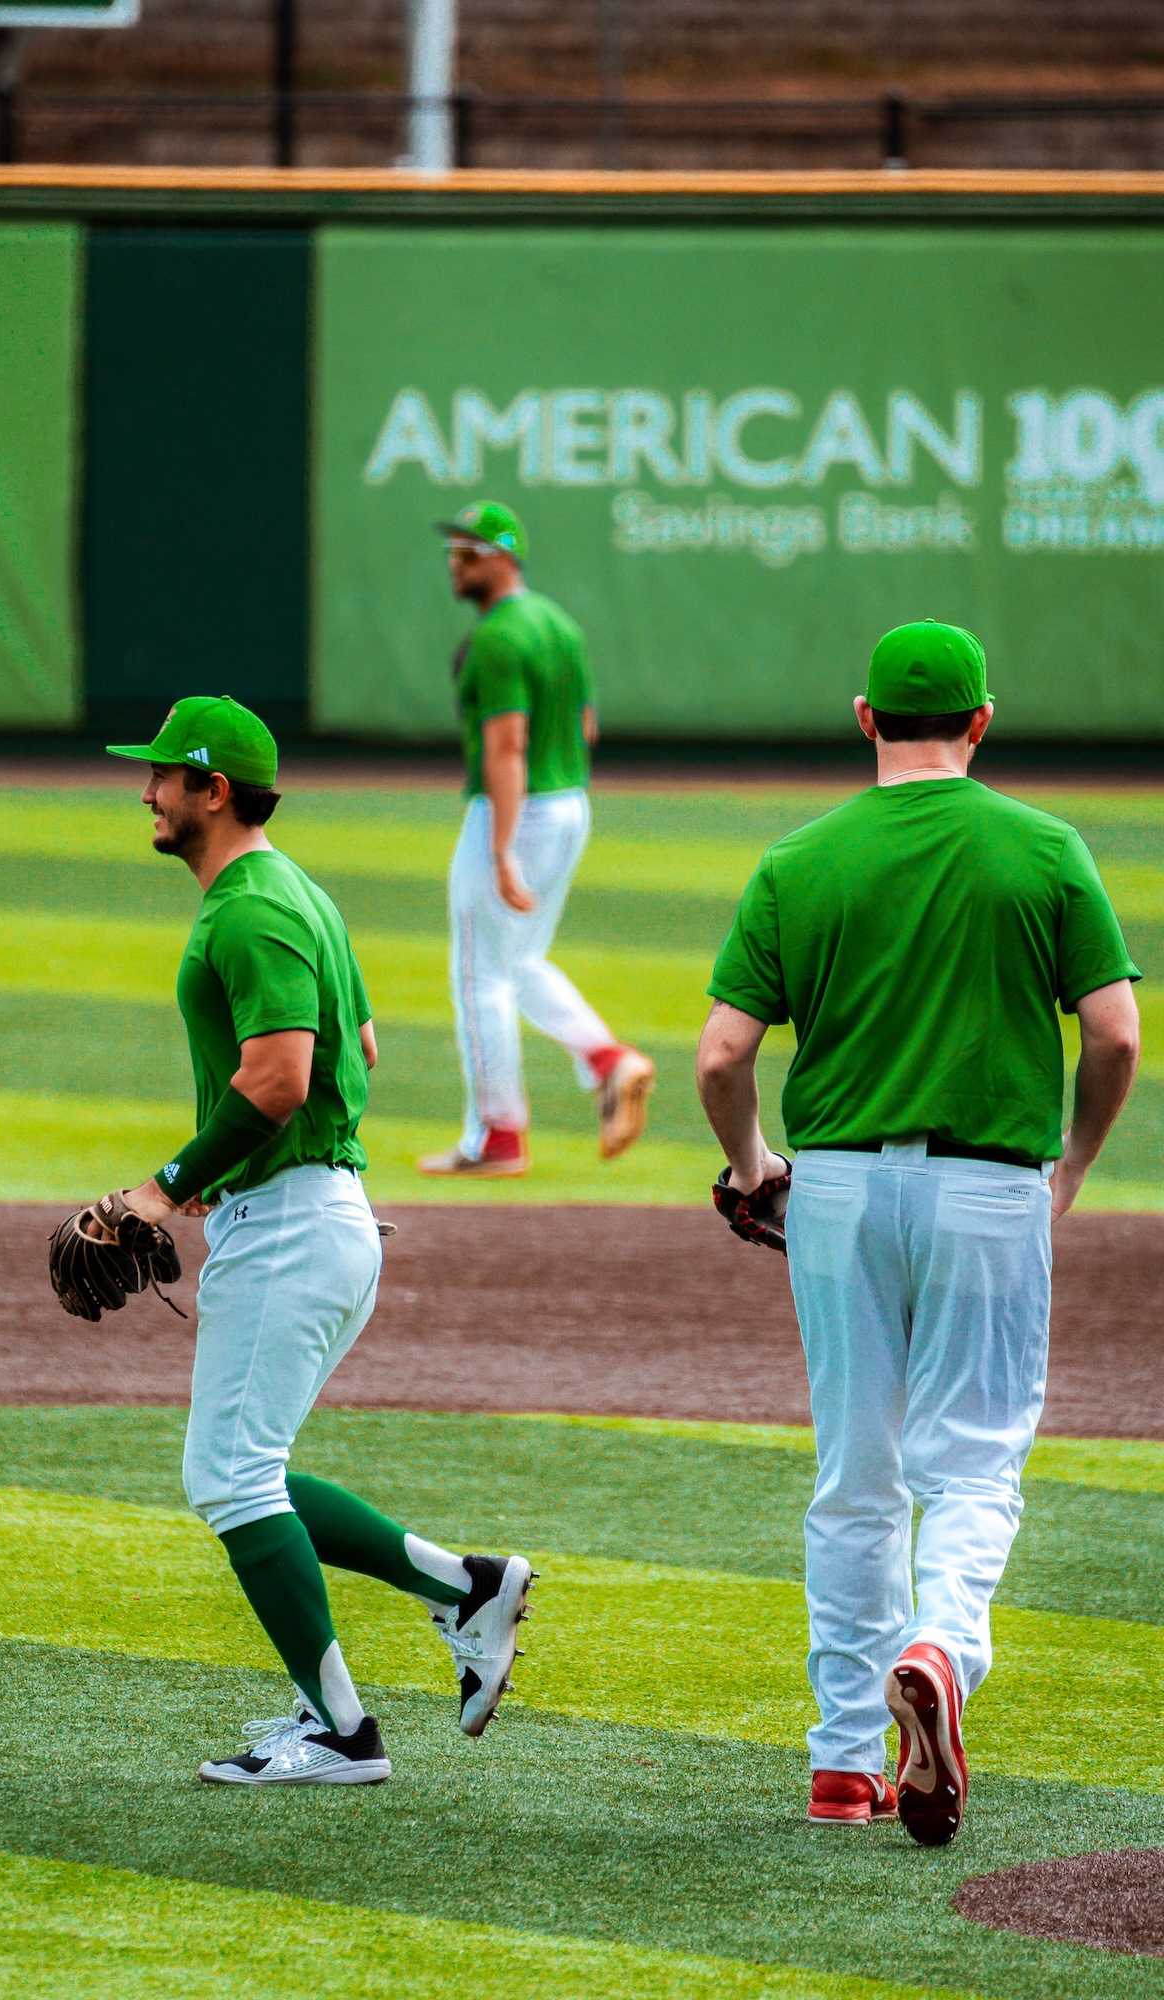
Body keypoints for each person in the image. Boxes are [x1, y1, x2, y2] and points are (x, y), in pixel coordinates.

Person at [695, 621, 1140, 1847]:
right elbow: (1114, 1033)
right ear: (981, 721)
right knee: (973, 1462)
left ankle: (843, 1762)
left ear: (864, 718)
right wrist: (1072, 1165)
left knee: (856, 1475)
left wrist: (755, 1169)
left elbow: (722, 1056)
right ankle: (939, 1646)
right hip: (990, 1185)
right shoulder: (1042, 846)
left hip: (837, 1189)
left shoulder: (800, 857)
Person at [103, 695, 534, 1786]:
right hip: (313, 1210)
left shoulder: (250, 910)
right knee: (250, 1469)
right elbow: (362, 1048)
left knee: (231, 1476)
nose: (145, 791)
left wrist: (166, 1188)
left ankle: (341, 1731)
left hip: (294, 1224)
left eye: (163, 774)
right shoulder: (297, 892)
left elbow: (283, 1078)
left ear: (213, 790)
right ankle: (465, 1587)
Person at [416, 499, 655, 1179]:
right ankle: (609, 1061)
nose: (454, 563)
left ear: (502, 558)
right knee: (519, 961)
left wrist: (500, 850)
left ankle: (498, 1136)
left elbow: (508, 744)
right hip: (570, 802)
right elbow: (585, 726)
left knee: (479, 976)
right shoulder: (558, 623)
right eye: (452, 550)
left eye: (467, 551)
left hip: (517, 811)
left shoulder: (498, 638)